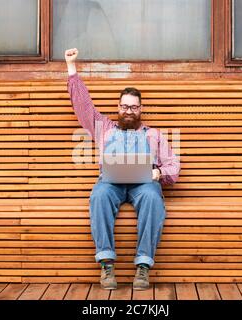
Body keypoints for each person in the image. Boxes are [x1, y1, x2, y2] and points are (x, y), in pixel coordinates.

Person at [65, 48, 180, 290]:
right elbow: (82, 106)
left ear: (141, 109)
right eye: (125, 107)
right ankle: (106, 264)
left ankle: (143, 266)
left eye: (134, 107)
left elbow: (174, 166)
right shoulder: (103, 128)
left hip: (143, 183)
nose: (129, 111)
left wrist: (158, 173)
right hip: (111, 182)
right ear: (118, 107)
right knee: (99, 195)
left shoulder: (154, 135)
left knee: (152, 197)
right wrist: (71, 67)